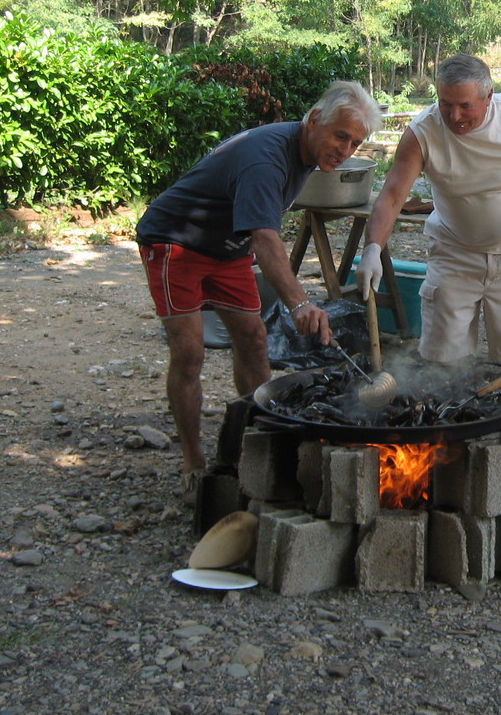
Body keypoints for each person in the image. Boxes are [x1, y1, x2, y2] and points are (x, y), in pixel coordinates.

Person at [135, 81, 382, 501]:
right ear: (315, 119)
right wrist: (299, 302)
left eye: (355, 142)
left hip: (226, 245)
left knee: (253, 338)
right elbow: (266, 237)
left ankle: (262, 438)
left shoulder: (306, 151)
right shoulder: (267, 159)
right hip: (175, 240)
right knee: (190, 350)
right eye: (341, 136)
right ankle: (194, 462)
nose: (346, 149)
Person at [355, 54, 501, 411]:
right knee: (444, 354)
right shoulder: (423, 131)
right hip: (453, 252)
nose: (454, 116)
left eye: (465, 106)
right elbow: (393, 196)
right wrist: (372, 249)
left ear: (489, 98)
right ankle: (450, 430)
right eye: (445, 104)